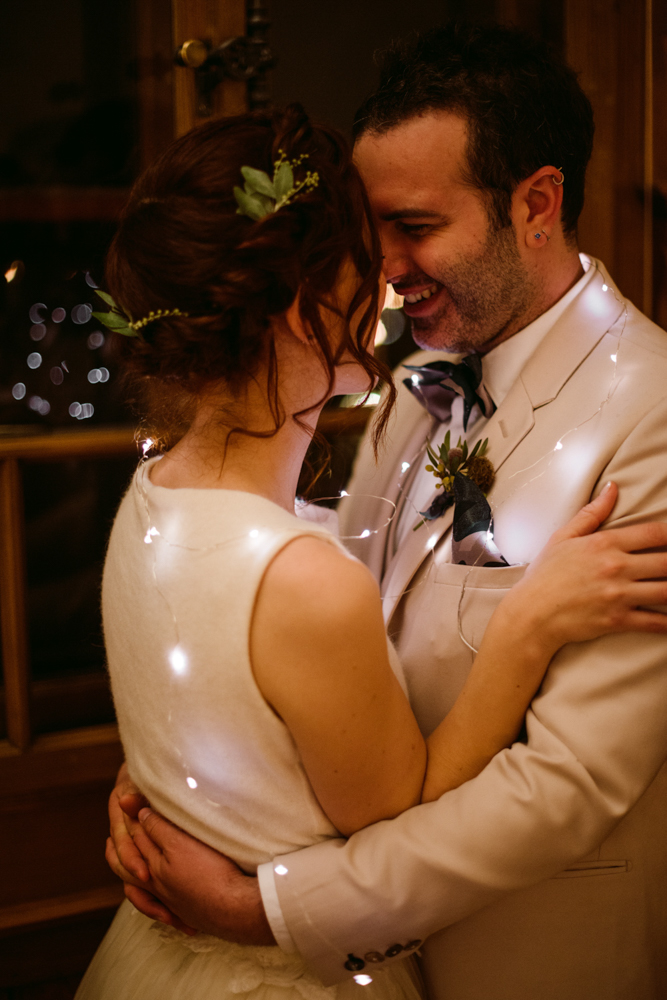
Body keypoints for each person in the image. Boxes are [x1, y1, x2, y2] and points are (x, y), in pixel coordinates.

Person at [106, 23, 667, 1000]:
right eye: (369, 232)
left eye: (413, 225)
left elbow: (565, 783)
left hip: (518, 954)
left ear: (536, 203)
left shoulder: (651, 415)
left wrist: (266, 905)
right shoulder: (415, 381)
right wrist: (199, 759)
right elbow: (314, 604)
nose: (383, 267)